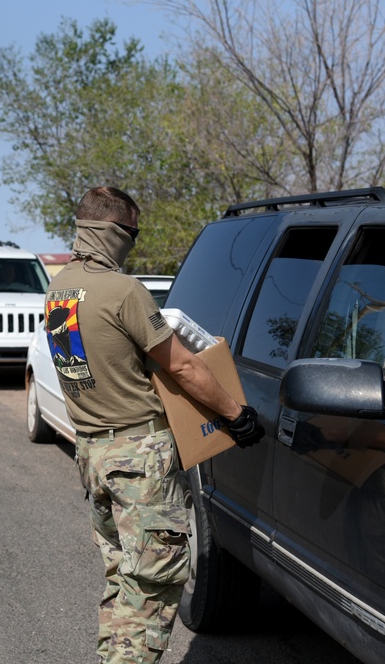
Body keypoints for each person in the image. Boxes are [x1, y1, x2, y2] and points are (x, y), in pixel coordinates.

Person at [44, 186, 263, 663]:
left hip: (94, 455)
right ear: (113, 232)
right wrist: (236, 414)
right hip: (139, 461)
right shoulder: (123, 291)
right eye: (133, 233)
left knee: (125, 578)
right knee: (154, 584)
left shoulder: (60, 289)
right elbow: (182, 366)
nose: (135, 243)